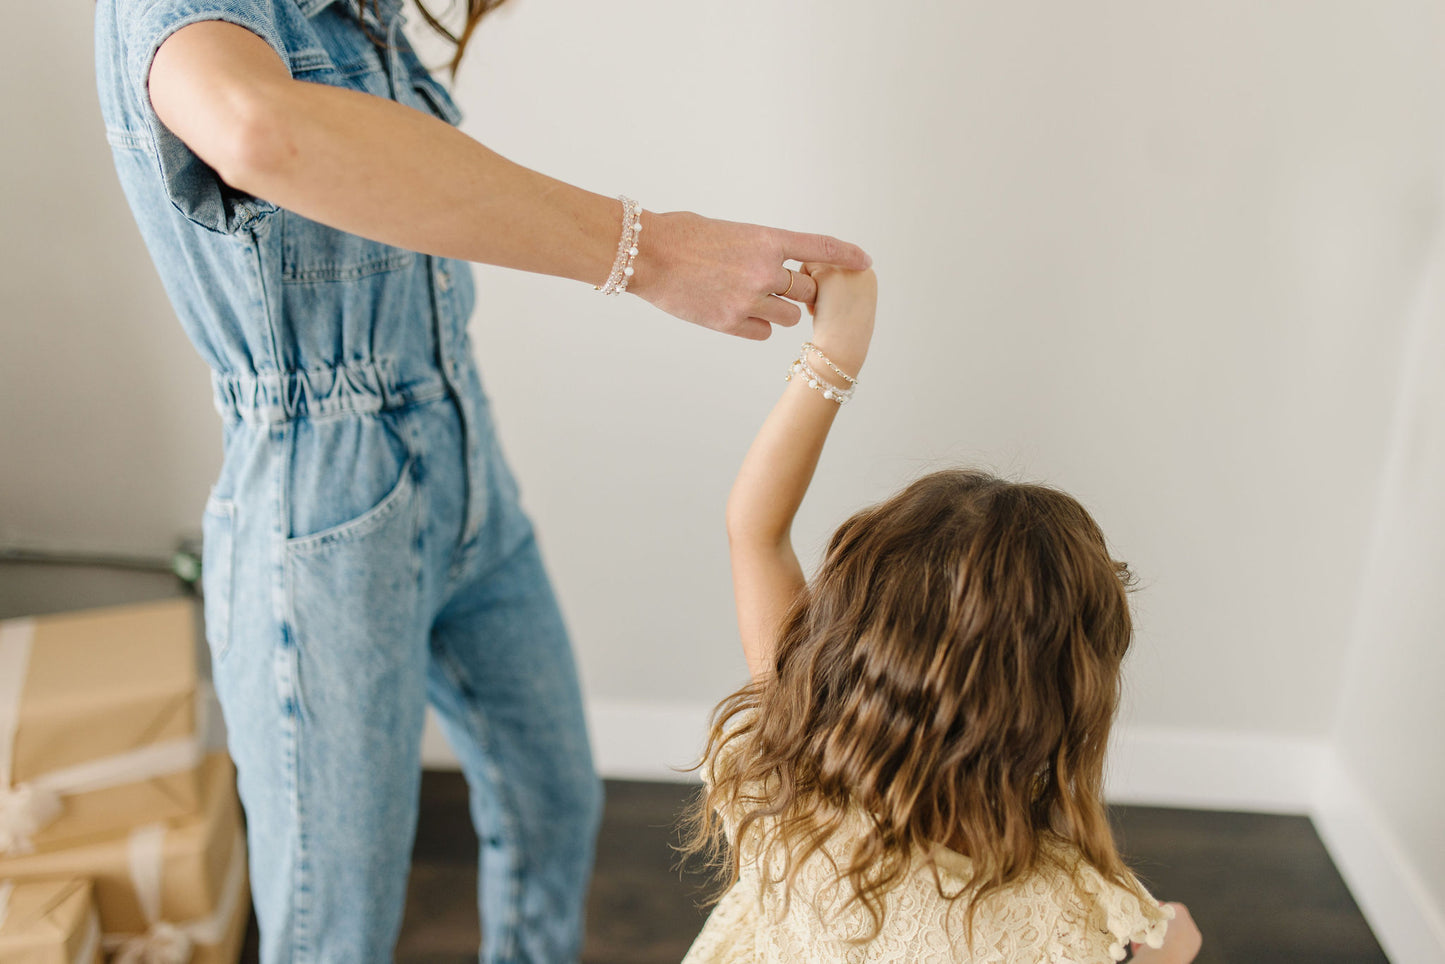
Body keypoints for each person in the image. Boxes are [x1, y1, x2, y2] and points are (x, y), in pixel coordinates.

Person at [92, 0, 870, 961]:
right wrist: (651, 253)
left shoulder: (355, 16)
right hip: (321, 501)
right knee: (335, 924)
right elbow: (259, 129)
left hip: (463, 449)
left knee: (552, 805)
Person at [680, 264, 1205, 963]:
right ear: (1058, 693)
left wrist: (835, 348)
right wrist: (1171, 946)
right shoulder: (1061, 903)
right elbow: (1158, 948)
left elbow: (755, 528)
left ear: (849, 633)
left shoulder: (783, 772)